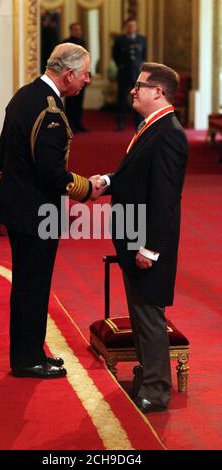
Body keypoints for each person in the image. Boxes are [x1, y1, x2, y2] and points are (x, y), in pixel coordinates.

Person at [0, 43, 102, 379]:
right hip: (37, 213)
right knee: (33, 286)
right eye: (84, 74)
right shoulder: (50, 111)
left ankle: (30, 352)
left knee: (27, 284)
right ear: (68, 74)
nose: (86, 81)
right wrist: (87, 188)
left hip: (18, 206)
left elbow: (3, 155)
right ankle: (28, 359)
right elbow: (51, 174)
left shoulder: (25, 95)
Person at [95, 62, 188, 413]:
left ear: (157, 92)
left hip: (146, 244)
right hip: (133, 237)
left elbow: (165, 199)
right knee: (140, 313)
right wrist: (108, 180)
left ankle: (156, 391)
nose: (133, 90)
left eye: (139, 85)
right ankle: (149, 376)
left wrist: (150, 248)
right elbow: (134, 176)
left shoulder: (169, 134)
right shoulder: (152, 126)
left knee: (149, 316)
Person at [113, 18, 147, 131]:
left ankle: (139, 123)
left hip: (137, 73)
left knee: (138, 99)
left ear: (136, 27)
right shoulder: (119, 40)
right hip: (124, 73)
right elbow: (115, 56)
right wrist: (123, 65)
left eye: (133, 26)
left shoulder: (142, 39)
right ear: (125, 27)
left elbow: (143, 56)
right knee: (121, 100)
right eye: (129, 26)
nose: (131, 28)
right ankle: (120, 123)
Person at [62, 23, 89, 133]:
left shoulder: (82, 43)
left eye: (79, 29)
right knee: (70, 102)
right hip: (71, 75)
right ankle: (70, 125)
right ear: (71, 30)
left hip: (81, 75)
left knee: (79, 101)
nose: (78, 31)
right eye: (75, 29)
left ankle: (78, 123)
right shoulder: (65, 43)